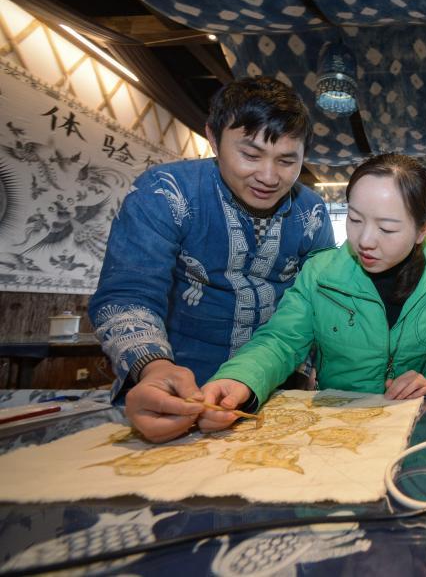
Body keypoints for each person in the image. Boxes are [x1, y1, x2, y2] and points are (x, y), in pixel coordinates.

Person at [89, 76, 335, 442]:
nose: (269, 176)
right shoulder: (165, 192)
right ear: (213, 138)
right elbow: (128, 294)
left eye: (287, 160)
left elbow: (320, 305)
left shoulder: (311, 212)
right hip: (174, 393)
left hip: (277, 395)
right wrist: (154, 369)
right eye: (250, 155)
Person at [196, 153, 426, 435]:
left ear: (422, 231)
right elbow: (281, 341)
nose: (364, 241)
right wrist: (239, 379)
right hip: (337, 426)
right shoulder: (320, 274)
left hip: (415, 424)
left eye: (387, 228)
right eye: (354, 219)